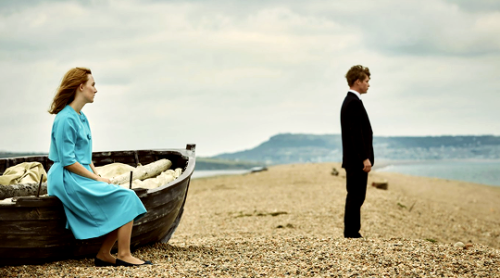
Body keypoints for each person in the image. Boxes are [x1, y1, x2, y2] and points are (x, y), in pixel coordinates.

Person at [47, 67, 152, 266]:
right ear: (80, 87)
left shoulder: (81, 116)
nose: (96, 90)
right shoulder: (65, 119)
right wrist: (95, 179)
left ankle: (104, 254)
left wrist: (98, 174)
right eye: (93, 85)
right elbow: (68, 161)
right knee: (127, 197)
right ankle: (124, 254)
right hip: (66, 179)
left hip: (79, 175)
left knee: (120, 198)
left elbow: (84, 156)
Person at [340, 65, 374, 238]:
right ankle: (352, 233)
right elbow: (356, 135)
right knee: (356, 195)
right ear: (357, 81)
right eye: (366, 81)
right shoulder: (353, 103)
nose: (368, 84)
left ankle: (352, 231)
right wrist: (364, 158)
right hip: (356, 161)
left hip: (355, 160)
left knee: (356, 195)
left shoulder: (353, 101)